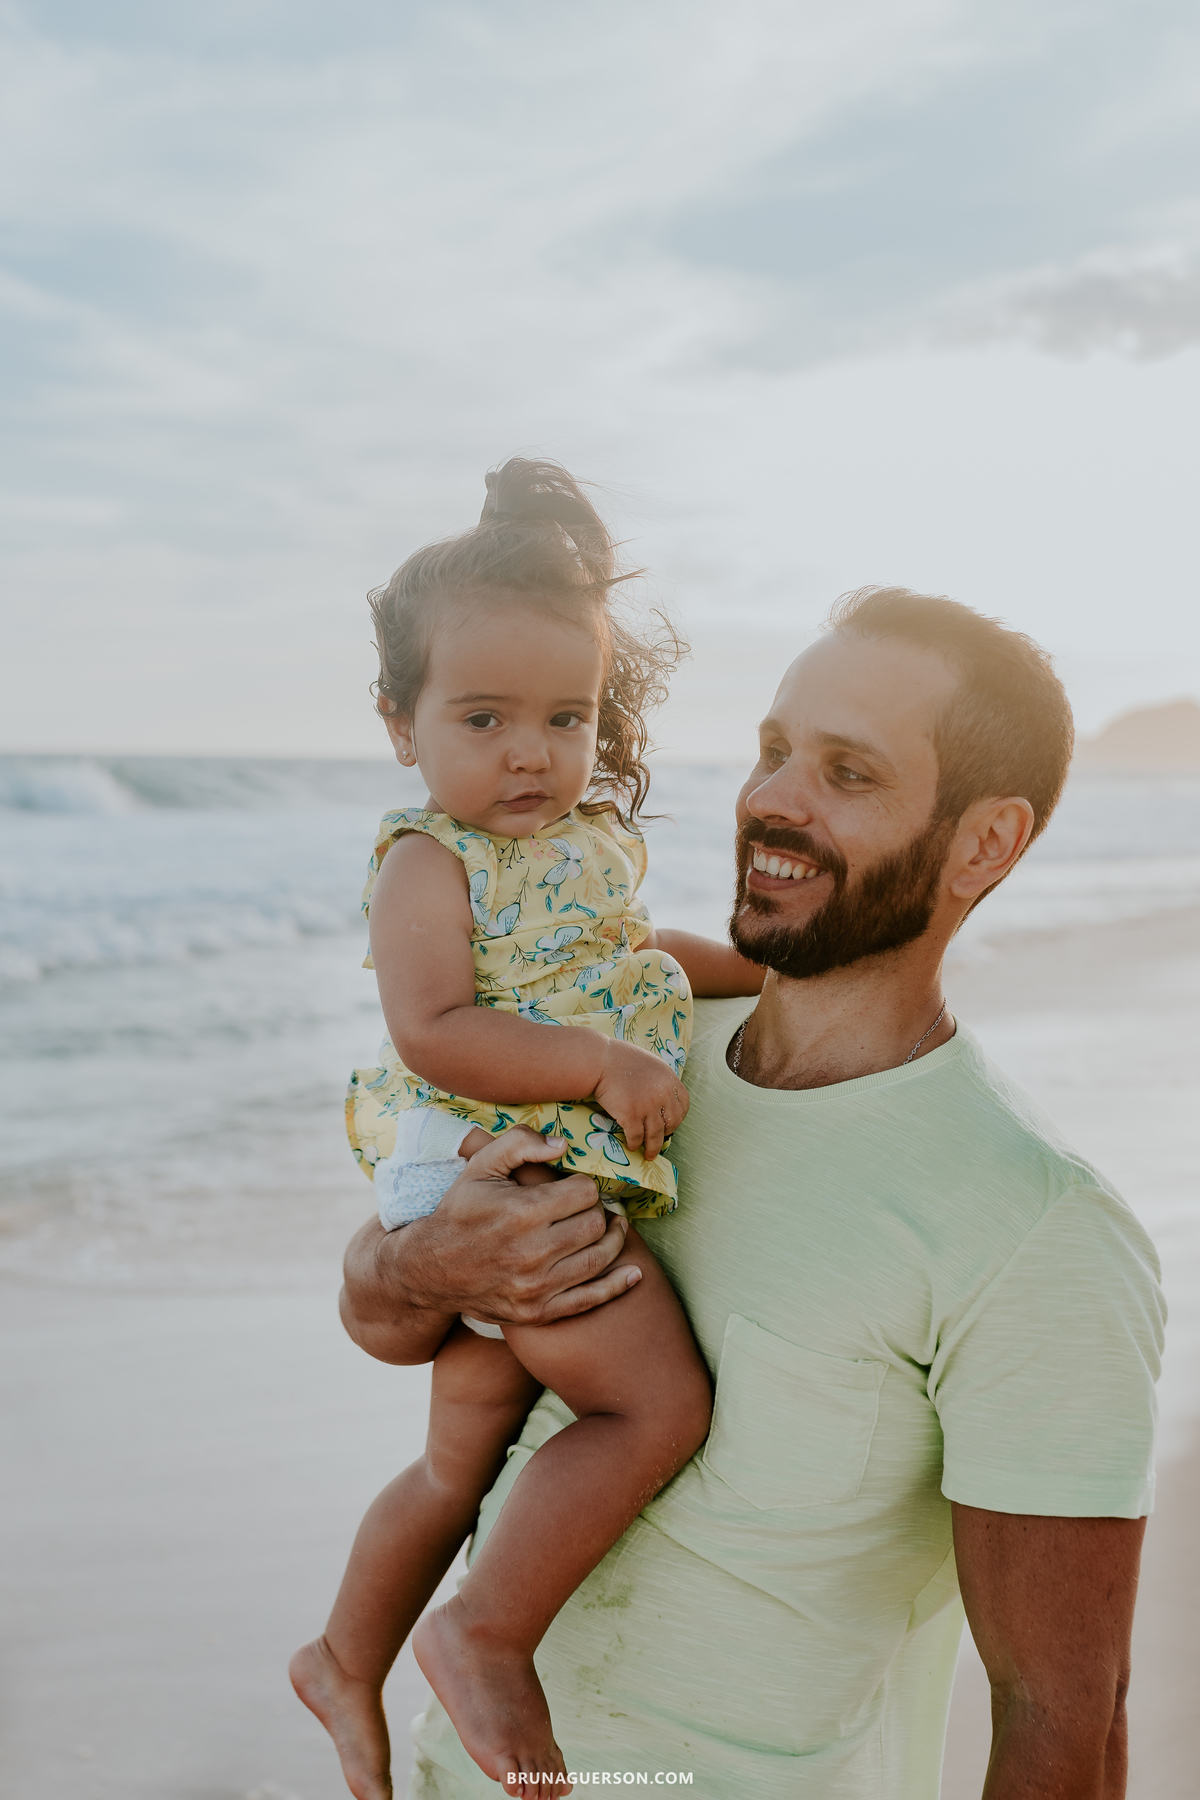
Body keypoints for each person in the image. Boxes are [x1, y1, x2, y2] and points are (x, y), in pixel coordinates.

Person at [339, 586, 1165, 1800]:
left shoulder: (1039, 1231)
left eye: (847, 771)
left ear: (985, 841)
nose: (774, 798)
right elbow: (384, 1313)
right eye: (775, 750)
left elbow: (1062, 1724)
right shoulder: (629, 1047)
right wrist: (420, 1267)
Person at [290, 459, 764, 1800]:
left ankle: (341, 1655)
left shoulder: (584, 843)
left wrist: (770, 976)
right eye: (485, 717)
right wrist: (599, 1064)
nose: (529, 752)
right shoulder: (428, 863)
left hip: (526, 1142)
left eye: (566, 716)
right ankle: (488, 1632)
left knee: (460, 1457)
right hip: (482, 1157)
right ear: (401, 723)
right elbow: (435, 1026)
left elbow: (636, 954)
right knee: (650, 1403)